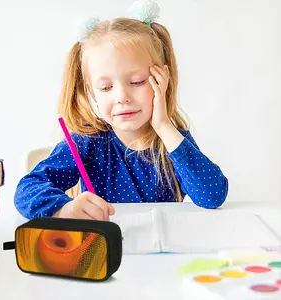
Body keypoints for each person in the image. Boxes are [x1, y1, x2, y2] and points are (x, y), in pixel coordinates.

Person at [14, 0, 228, 221]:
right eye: (106, 87)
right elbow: (26, 190)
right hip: (106, 249)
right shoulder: (87, 142)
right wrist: (63, 209)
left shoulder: (173, 141)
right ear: (92, 91)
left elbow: (212, 196)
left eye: (136, 82)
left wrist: (164, 126)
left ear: (162, 80)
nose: (121, 97)